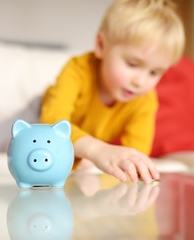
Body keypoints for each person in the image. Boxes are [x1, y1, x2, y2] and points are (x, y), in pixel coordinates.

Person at [40, 0, 185, 183]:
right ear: (101, 45)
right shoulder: (77, 70)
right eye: (132, 64)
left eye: (154, 72)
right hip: (36, 120)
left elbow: (135, 154)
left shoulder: (145, 99)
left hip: (74, 147)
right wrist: (96, 151)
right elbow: (52, 124)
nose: (140, 82)